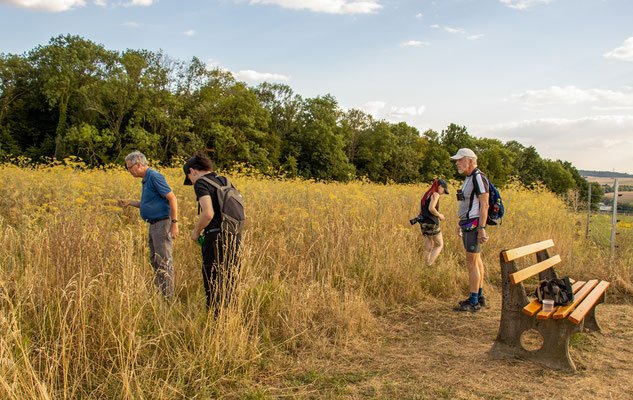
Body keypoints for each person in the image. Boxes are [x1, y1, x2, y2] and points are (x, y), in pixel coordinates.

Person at [183, 151, 242, 311]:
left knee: (213, 281)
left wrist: (196, 232)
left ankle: (215, 322)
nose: (192, 182)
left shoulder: (202, 183)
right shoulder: (226, 181)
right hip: (234, 236)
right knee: (230, 279)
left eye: (190, 179)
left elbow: (208, 213)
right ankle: (230, 316)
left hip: (215, 238)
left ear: (192, 171)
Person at [118, 151, 178, 298]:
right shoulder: (146, 179)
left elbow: (172, 198)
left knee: (163, 261)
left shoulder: (154, 176)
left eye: (129, 167)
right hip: (154, 225)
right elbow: (149, 203)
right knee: (155, 260)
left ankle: (168, 298)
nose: (129, 171)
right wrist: (130, 203)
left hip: (162, 224)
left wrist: (174, 223)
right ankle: (161, 293)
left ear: (138, 164)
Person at [450, 148, 490, 312]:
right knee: (477, 261)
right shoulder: (469, 178)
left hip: (474, 225)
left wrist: (481, 228)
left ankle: (473, 302)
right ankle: (478, 296)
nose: (457, 163)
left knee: (471, 262)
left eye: (460, 160)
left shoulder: (478, 178)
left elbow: (484, 204)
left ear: (470, 160)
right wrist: (461, 224)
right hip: (468, 224)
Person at [418, 178, 449, 266]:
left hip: (423, 223)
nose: (443, 193)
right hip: (432, 223)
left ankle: (425, 265)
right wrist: (440, 215)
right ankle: (429, 265)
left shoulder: (425, 194)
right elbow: (431, 208)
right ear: (440, 186)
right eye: (444, 190)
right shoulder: (435, 194)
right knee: (439, 245)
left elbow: (419, 210)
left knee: (429, 247)